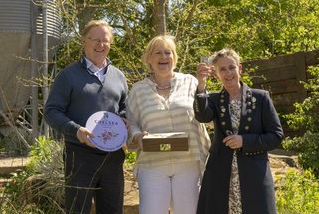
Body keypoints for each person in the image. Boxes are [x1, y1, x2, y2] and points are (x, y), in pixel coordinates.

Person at [44, 20, 128, 214]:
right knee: (78, 210)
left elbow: (124, 109)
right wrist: (77, 130)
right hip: (79, 155)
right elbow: (51, 112)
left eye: (105, 40)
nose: (101, 45)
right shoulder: (68, 76)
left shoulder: (118, 76)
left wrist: (126, 121)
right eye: (95, 40)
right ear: (84, 41)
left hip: (113, 157)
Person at [126, 35, 211, 214]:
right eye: (158, 53)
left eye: (168, 52)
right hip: (152, 166)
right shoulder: (138, 90)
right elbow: (132, 123)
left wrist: (202, 86)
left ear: (174, 57)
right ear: (149, 59)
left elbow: (207, 115)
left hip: (188, 164)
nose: (163, 57)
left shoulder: (191, 82)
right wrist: (137, 135)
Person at [194, 48, 284, 214]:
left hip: (254, 175)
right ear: (216, 74)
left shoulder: (261, 98)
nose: (228, 73)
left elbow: (276, 136)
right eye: (222, 69)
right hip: (220, 175)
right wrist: (201, 86)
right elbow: (202, 117)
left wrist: (245, 141)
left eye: (231, 67)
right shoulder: (213, 99)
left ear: (239, 69)